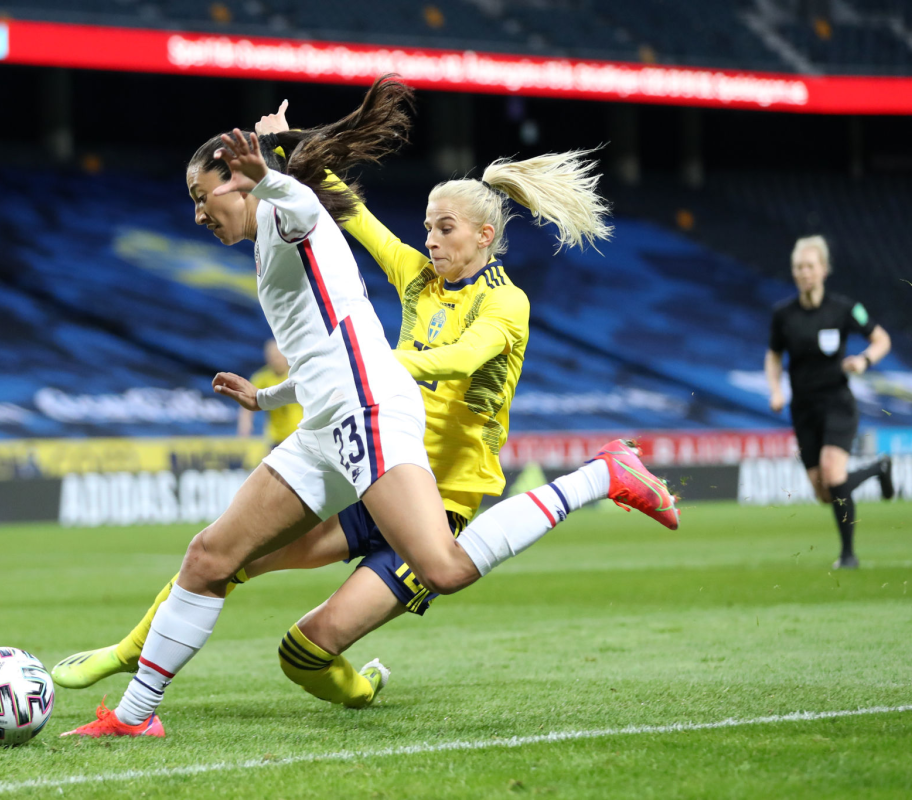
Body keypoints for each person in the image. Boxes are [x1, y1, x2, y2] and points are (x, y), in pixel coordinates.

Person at [57, 76, 678, 739]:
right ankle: (134, 716)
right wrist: (267, 395)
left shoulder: (284, 212)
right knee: (211, 557)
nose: (196, 213)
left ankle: (603, 475)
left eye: (199, 196)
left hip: (371, 415)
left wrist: (268, 173)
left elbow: (301, 206)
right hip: (330, 424)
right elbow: (331, 343)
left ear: (237, 182)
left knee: (441, 565)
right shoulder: (284, 231)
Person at [765, 235, 894, 569]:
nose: (804, 272)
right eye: (798, 267)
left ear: (823, 270)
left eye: (810, 266)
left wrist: (864, 361)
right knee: (825, 492)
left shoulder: (845, 308)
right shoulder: (783, 315)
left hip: (837, 403)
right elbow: (773, 355)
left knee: (832, 472)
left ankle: (848, 555)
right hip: (803, 410)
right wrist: (776, 390)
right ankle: (877, 468)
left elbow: (881, 339)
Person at [239, 339, 303, 445]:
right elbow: (247, 401)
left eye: (277, 356)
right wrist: (245, 424)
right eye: (271, 356)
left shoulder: (296, 375)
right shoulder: (262, 378)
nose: (274, 360)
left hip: (298, 434)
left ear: (285, 355)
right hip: (275, 437)